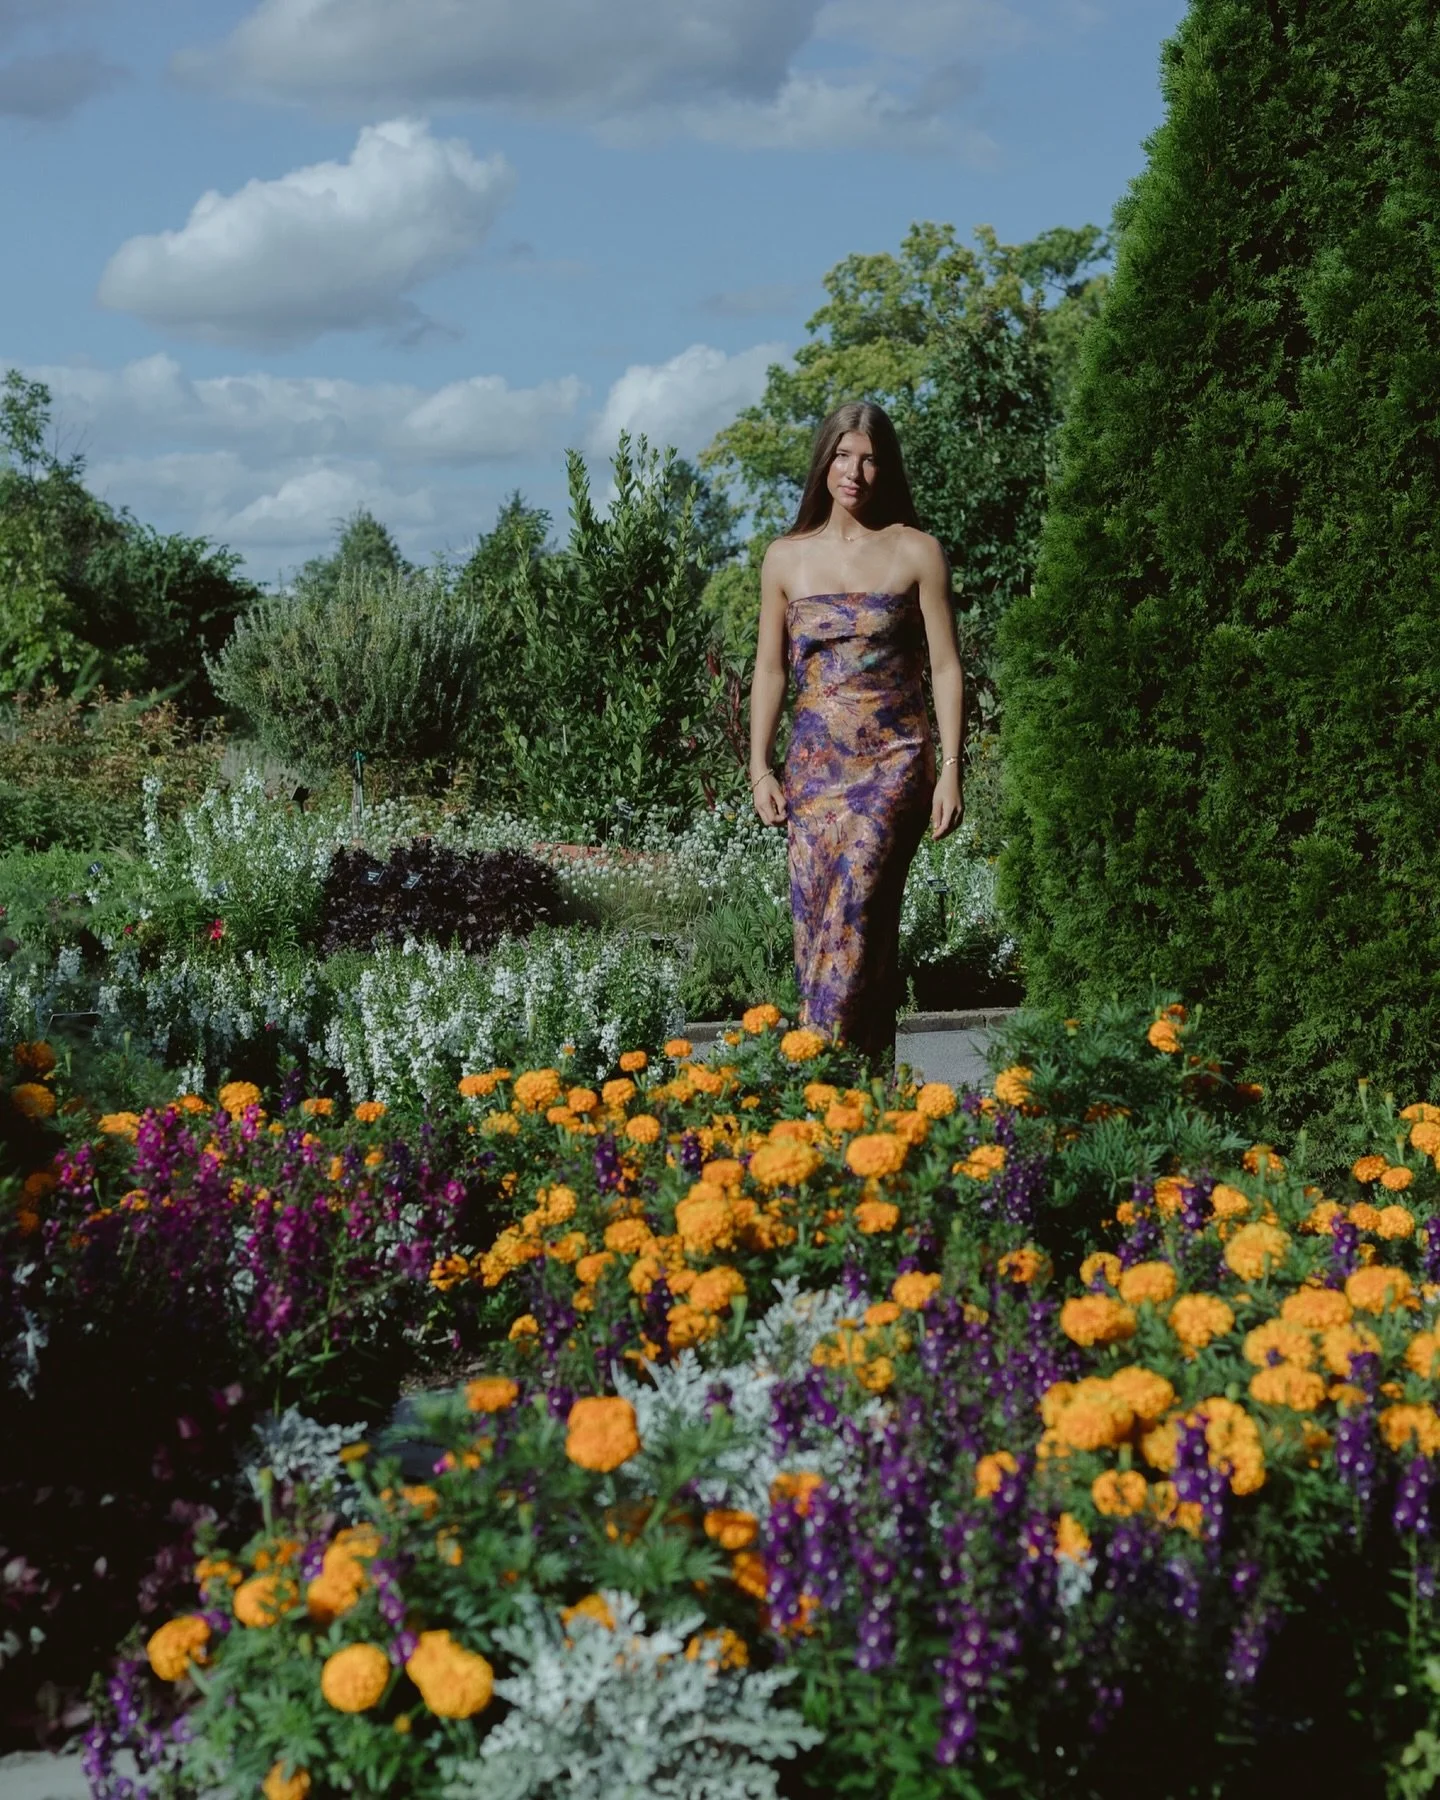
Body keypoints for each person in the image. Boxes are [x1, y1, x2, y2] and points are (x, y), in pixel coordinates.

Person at [749, 401, 965, 1061]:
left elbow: (948, 666)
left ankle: (813, 1067)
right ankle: (865, 1094)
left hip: (894, 766)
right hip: (813, 774)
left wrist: (952, 768)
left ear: (886, 466)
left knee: (858, 906)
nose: (855, 470)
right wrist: (760, 767)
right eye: (843, 455)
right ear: (823, 462)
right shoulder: (785, 560)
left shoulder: (916, 551)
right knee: (827, 930)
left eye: (870, 457)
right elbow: (768, 670)